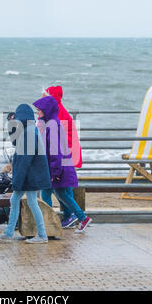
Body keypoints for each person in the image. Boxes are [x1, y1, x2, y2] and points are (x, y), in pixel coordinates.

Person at [0, 104, 51, 244]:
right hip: (30, 175)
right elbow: (15, 142)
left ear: (22, 118)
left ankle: (41, 235)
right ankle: (9, 233)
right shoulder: (28, 129)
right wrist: (11, 124)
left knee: (31, 202)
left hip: (31, 175)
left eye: (18, 118)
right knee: (18, 200)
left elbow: (24, 160)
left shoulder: (29, 133)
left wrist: (16, 182)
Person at [33, 95, 92, 233]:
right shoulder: (52, 123)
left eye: (39, 110)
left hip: (58, 169)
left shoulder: (52, 126)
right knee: (62, 195)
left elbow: (55, 153)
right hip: (61, 168)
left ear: (46, 111)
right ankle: (82, 218)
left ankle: (48, 222)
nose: (37, 113)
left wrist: (55, 172)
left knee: (49, 193)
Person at [40, 86, 83, 228]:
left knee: (49, 190)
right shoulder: (58, 111)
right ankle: (70, 217)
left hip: (61, 158)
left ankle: (53, 218)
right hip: (65, 157)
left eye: (44, 96)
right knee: (64, 190)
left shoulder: (56, 113)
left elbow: (54, 141)